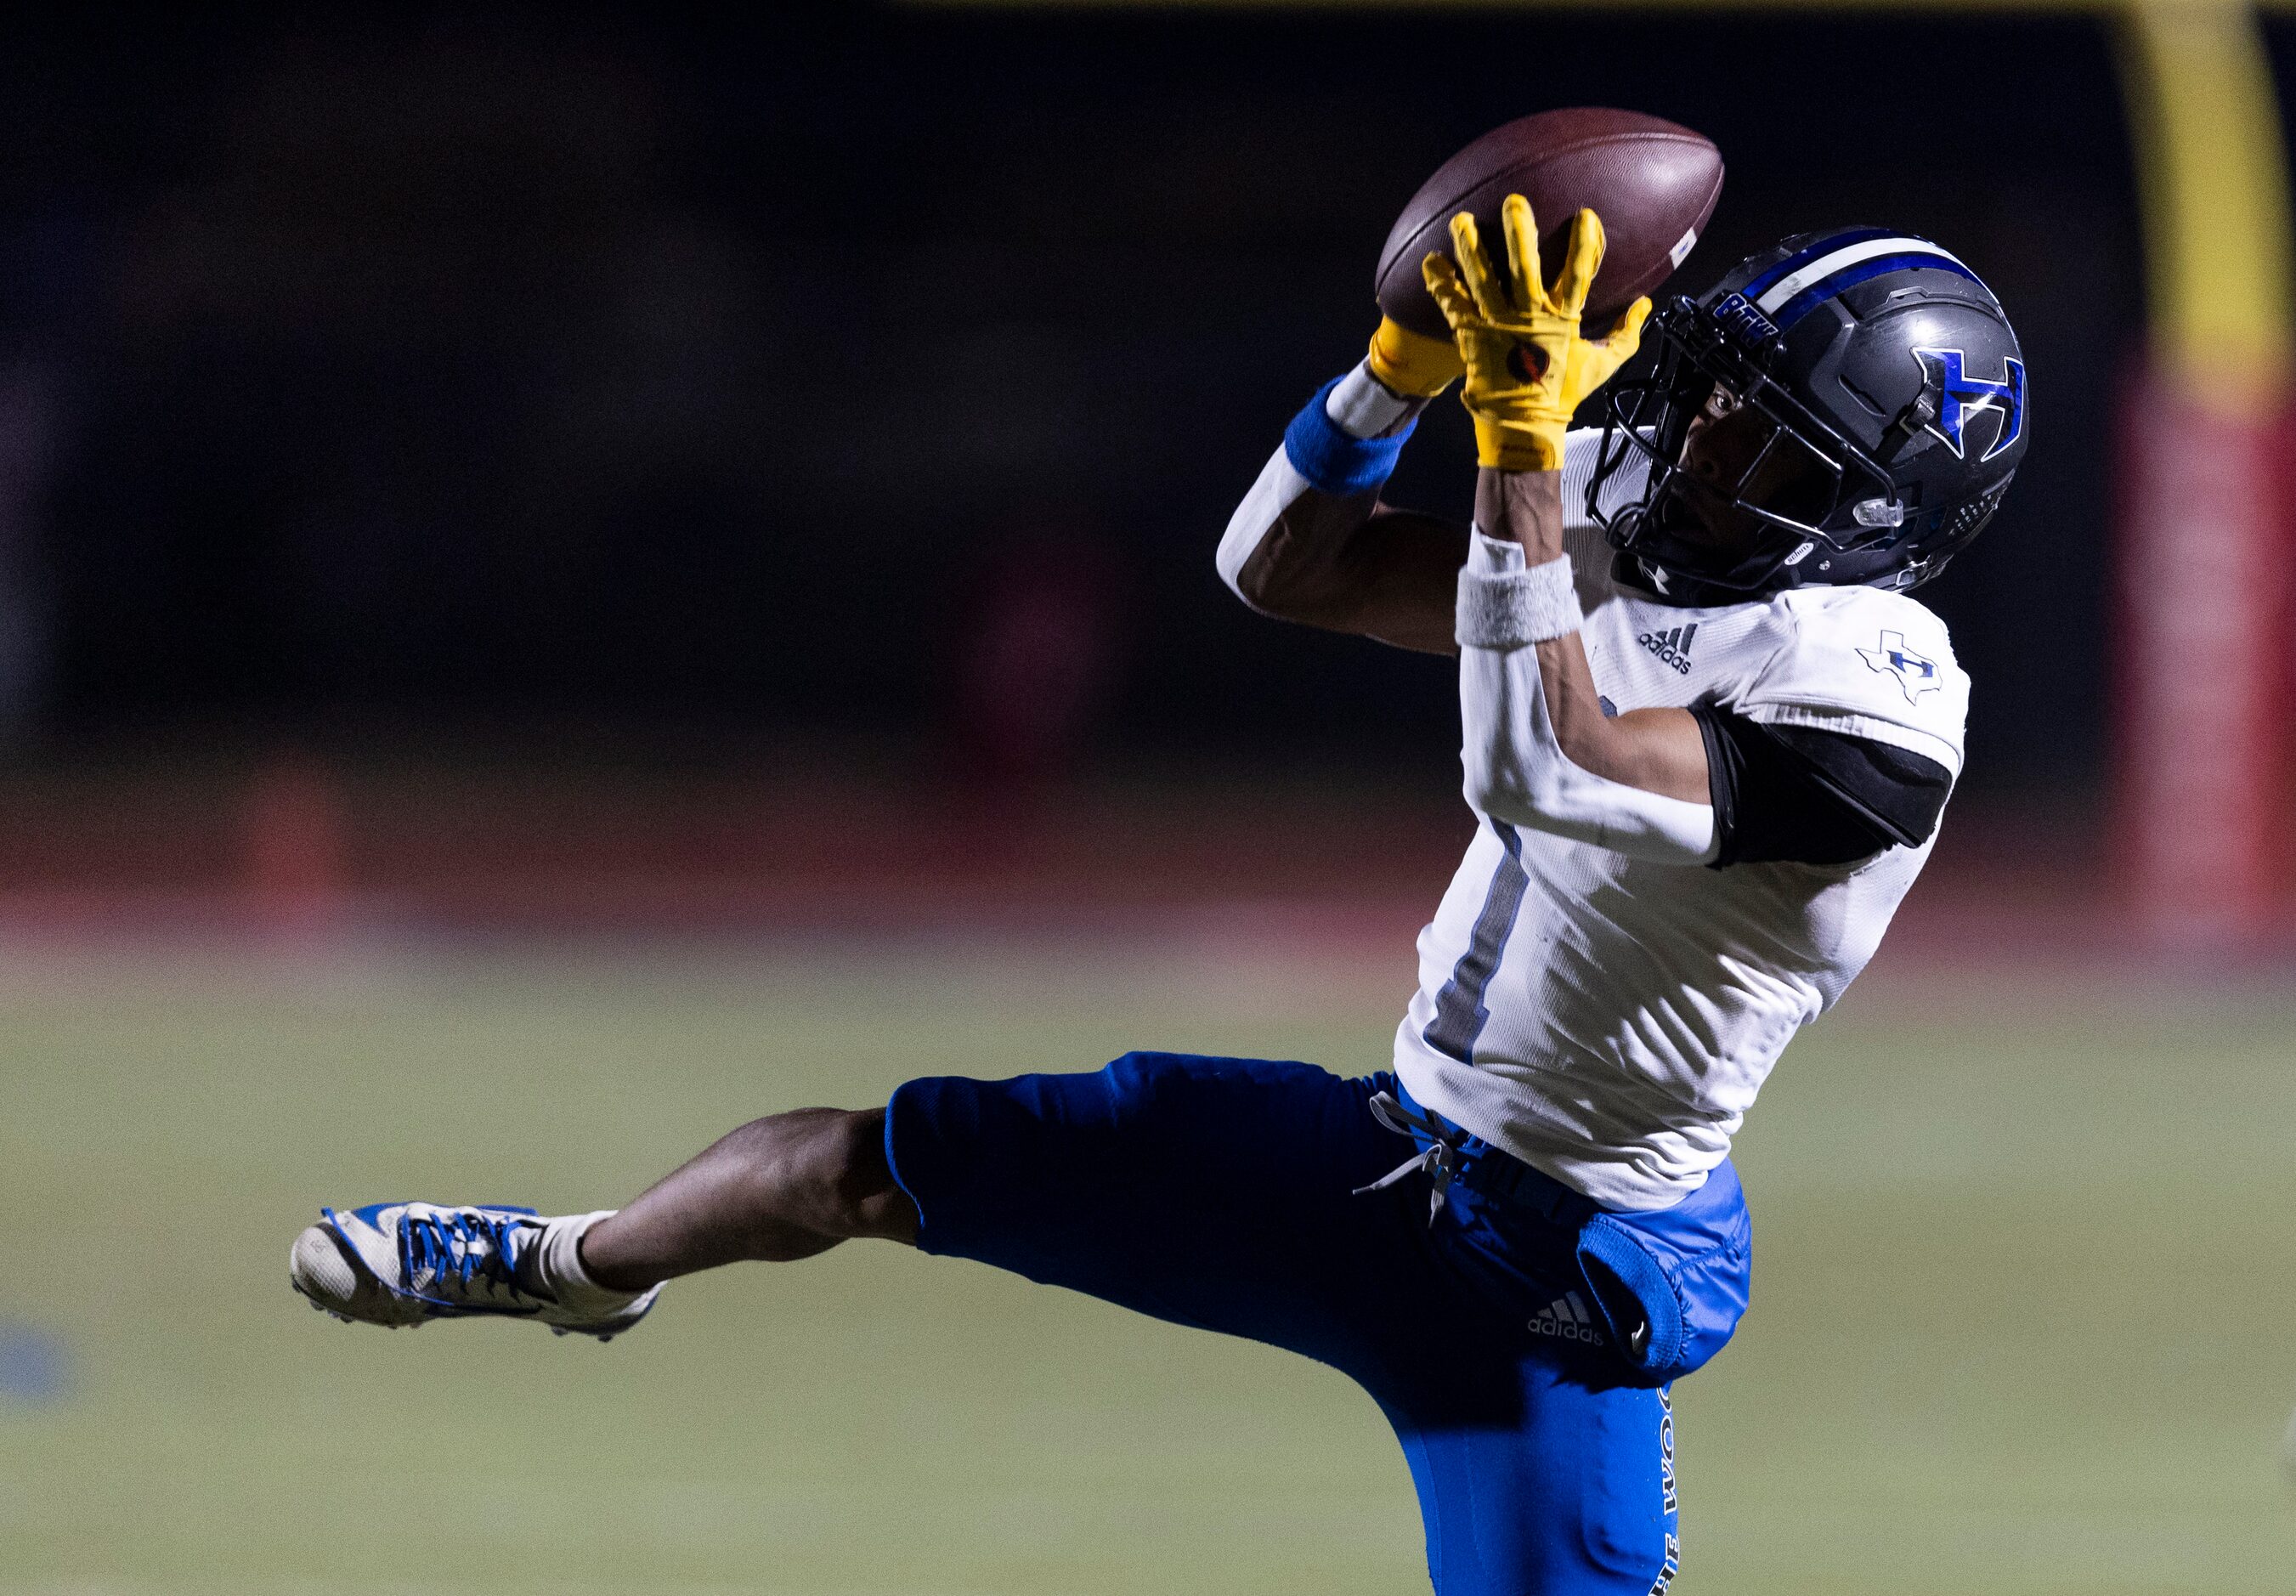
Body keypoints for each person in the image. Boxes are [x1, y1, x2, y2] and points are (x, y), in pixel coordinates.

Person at [289, 201, 2026, 1595]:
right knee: (866, 1160)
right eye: (1709, 397)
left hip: (1565, 1267)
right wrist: (1395, 375)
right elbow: (1286, 570)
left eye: (1764, 447)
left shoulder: (1870, 708)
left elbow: (1547, 764)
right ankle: (575, 1266)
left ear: (1876, 515)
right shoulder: (1623, 516)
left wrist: (1517, 434)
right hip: (1380, 1153)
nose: (1700, 450)